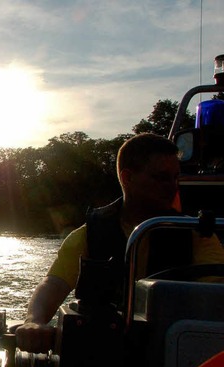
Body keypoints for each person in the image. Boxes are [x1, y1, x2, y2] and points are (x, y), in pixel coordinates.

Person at [16, 133, 224, 353]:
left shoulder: (197, 235)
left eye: (175, 178)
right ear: (127, 178)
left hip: (177, 355)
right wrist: (35, 321)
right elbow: (53, 285)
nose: (172, 186)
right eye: (161, 178)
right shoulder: (88, 235)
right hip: (103, 358)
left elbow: (216, 294)